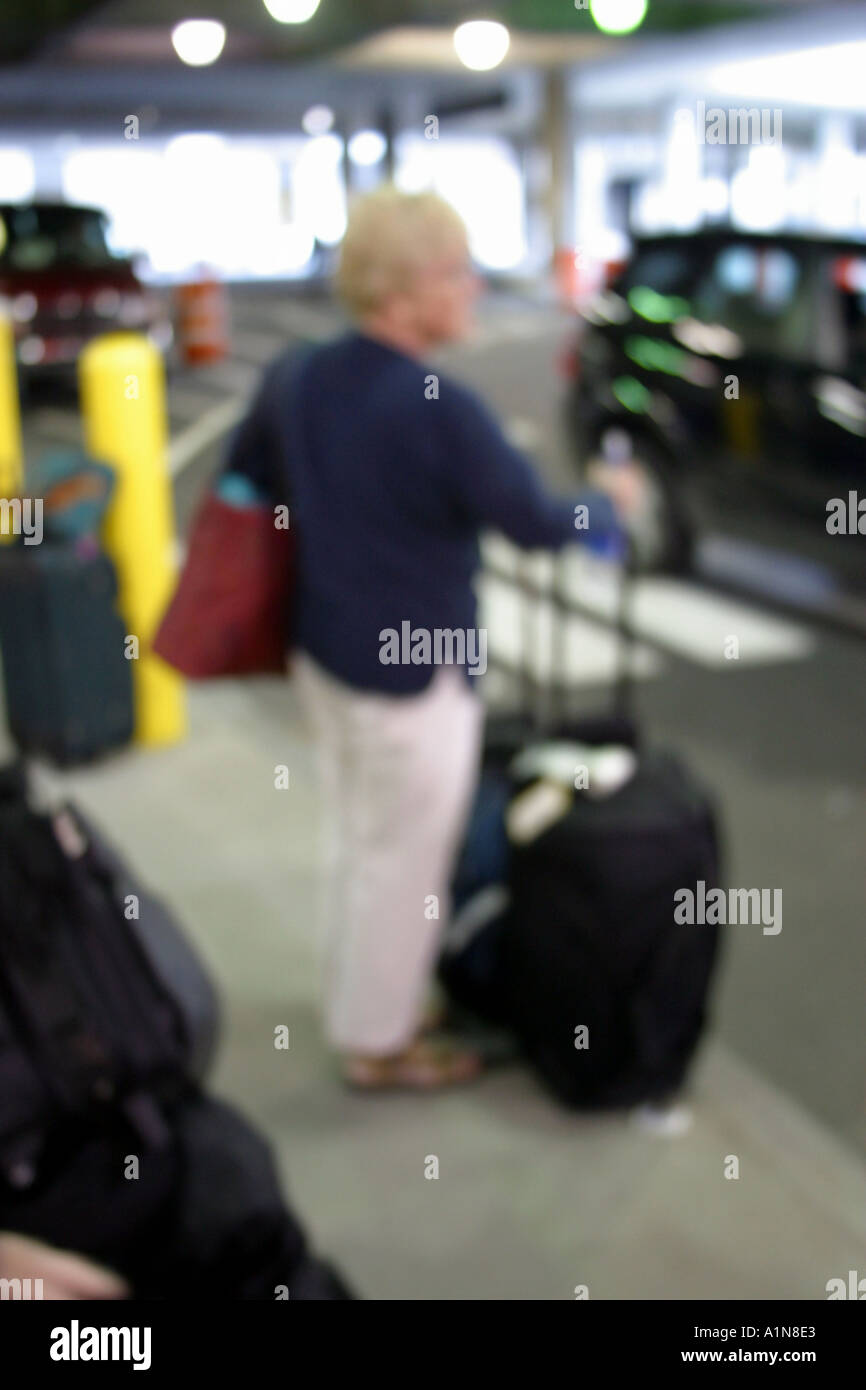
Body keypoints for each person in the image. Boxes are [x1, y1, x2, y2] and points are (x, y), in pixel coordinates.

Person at [224, 187, 637, 1092]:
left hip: (325, 653)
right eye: (457, 271)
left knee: (364, 840)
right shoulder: (435, 402)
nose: (475, 287)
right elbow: (531, 518)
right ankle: (382, 1042)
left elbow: (248, 479)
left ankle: (367, 996)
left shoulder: (298, 373)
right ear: (403, 291)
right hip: (411, 674)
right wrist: (610, 509)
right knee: (404, 857)